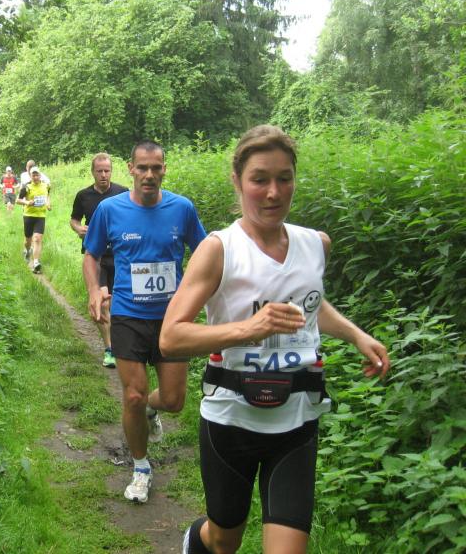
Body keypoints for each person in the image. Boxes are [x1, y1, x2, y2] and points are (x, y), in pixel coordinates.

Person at [158, 125, 391, 554]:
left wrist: (357, 335)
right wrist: (250, 328)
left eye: (284, 178)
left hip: (297, 419)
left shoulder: (315, 244)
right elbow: (171, 337)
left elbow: (309, 305)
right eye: (260, 179)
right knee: (223, 540)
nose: (273, 192)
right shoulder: (220, 249)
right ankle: (197, 539)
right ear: (237, 181)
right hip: (231, 420)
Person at [83, 141, 207, 504]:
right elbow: (91, 254)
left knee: (174, 400)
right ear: (131, 168)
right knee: (133, 395)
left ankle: (153, 409)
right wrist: (94, 290)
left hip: (173, 318)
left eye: (156, 168)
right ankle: (140, 467)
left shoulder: (182, 208)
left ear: (164, 169)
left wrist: (200, 294)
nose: (149, 174)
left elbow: (205, 253)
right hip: (127, 315)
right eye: (142, 168)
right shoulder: (110, 209)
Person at [70, 152, 129, 369]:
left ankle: (122, 345)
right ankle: (110, 349)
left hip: (120, 257)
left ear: (111, 171)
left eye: (107, 170)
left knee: (117, 304)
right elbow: (74, 220)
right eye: (99, 171)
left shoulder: (123, 193)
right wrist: (79, 229)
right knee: (103, 302)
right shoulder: (83, 196)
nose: (103, 175)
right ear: (92, 172)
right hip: (95, 257)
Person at [17, 166, 51, 273]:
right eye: (33, 175)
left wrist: (48, 203)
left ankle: (36, 262)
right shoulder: (26, 187)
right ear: (30, 176)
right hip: (28, 216)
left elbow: (48, 195)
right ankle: (27, 250)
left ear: (40, 175)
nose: (35, 177)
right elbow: (18, 200)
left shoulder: (46, 185)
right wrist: (27, 202)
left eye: (37, 175)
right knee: (28, 240)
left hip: (40, 216)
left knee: (37, 238)